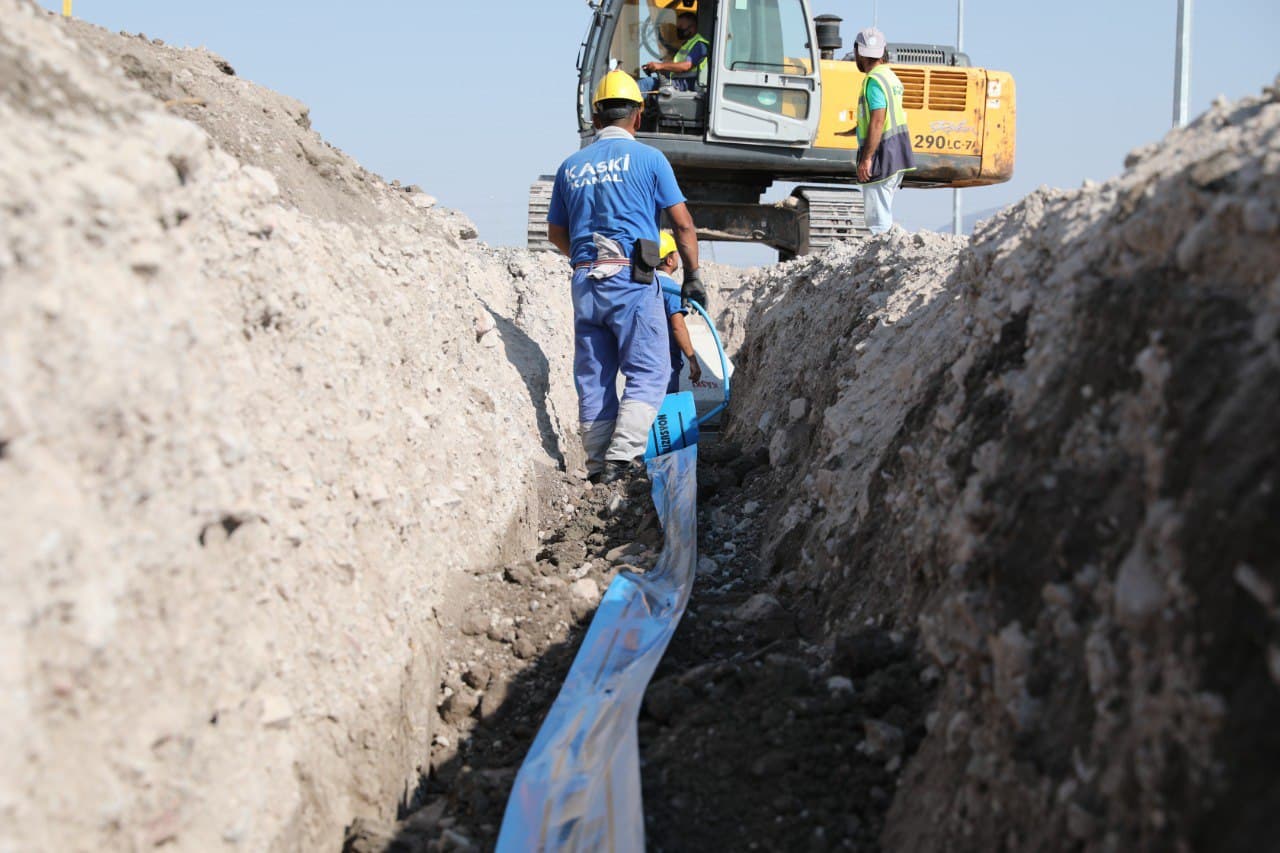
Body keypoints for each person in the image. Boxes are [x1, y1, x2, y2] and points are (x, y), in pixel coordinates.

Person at [546, 70, 706, 485]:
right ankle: (622, 458)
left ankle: (598, 465)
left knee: (594, 374)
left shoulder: (570, 166)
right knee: (650, 370)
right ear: (638, 116)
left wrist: (586, 260)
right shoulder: (651, 159)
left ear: (596, 119)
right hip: (633, 279)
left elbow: (555, 233)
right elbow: (683, 225)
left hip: (584, 280)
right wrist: (692, 277)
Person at [847, 27, 916, 234]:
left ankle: (882, 256)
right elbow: (883, 117)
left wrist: (867, 158)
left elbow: (878, 120)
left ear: (859, 52)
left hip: (882, 152)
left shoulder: (873, 81)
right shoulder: (890, 77)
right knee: (883, 208)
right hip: (898, 150)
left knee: (877, 218)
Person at [655, 230, 702, 393]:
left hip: (640, 361)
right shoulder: (672, 290)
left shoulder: (641, 288)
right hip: (665, 363)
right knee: (665, 413)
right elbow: (678, 327)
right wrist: (692, 359)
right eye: (676, 254)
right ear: (669, 260)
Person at [640, 12, 710, 93]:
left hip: (686, 86)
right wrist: (658, 69)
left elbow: (686, 66)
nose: (678, 29)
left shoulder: (699, 44)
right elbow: (676, 68)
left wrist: (660, 66)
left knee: (646, 83)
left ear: (692, 27)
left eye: (681, 26)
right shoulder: (687, 44)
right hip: (678, 83)